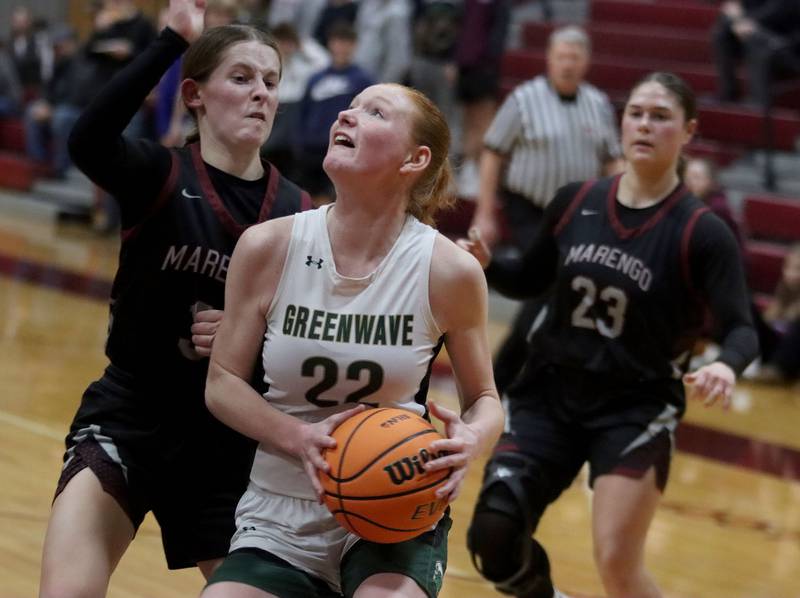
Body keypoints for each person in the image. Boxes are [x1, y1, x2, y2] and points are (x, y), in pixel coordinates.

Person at [39, 2, 311, 596]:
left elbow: (313, 332)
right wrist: (170, 41)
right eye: (241, 78)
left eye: (271, 81)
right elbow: (87, 139)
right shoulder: (156, 173)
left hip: (225, 448)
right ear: (195, 94)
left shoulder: (299, 213)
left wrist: (253, 337)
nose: (260, 93)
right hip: (130, 417)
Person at [459, 72, 758, 598]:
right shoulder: (576, 201)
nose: (644, 124)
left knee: (617, 562)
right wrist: (488, 265)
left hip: (633, 408)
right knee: (494, 536)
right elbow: (533, 279)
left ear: (688, 131)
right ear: (621, 123)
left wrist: (724, 365)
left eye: (660, 116)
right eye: (636, 112)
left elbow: (741, 328)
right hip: (548, 396)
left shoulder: (701, 231)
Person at [200, 82, 505, 597]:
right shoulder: (268, 246)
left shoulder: (448, 270)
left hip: (398, 498)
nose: (347, 114)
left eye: (374, 112)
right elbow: (222, 382)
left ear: (415, 159)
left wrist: (472, 440)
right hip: (281, 507)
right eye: (351, 106)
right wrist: (297, 438)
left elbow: (486, 402)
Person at [471, 25, 624, 396]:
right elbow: (493, 152)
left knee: (558, 290)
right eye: (561, 56)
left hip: (582, 213)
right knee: (548, 285)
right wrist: (485, 210)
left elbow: (612, 160)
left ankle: (528, 376)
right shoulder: (523, 100)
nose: (568, 63)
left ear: (586, 61)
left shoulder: (598, 104)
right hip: (530, 208)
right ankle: (499, 382)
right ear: (549, 59)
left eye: (574, 57)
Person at [295, 21, 372, 206]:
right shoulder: (316, 78)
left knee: (335, 199)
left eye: (347, 42)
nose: (342, 47)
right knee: (308, 200)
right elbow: (302, 112)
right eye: (338, 41)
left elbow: (367, 116)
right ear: (330, 44)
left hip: (342, 147)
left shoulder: (362, 79)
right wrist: (298, 142)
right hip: (311, 149)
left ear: (354, 45)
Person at [711, 0, 800, 106]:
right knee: (722, 34)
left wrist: (741, 19)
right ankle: (728, 91)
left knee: (753, 37)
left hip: (787, 45)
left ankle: (758, 101)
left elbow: (775, 13)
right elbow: (740, 9)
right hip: (760, 34)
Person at [752, 244, 800, 382]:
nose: (791, 273)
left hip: (791, 361)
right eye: (788, 267)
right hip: (774, 353)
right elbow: (769, 323)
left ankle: (776, 370)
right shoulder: (783, 291)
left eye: (798, 269)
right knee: (749, 307)